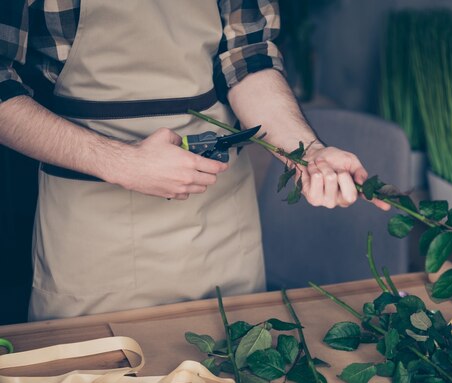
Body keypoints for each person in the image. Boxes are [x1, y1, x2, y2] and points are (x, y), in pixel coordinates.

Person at [0, 1, 388, 321]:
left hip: (219, 222)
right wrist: (122, 162)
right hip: (95, 230)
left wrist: (308, 152)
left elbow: (247, 58)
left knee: (234, 382)